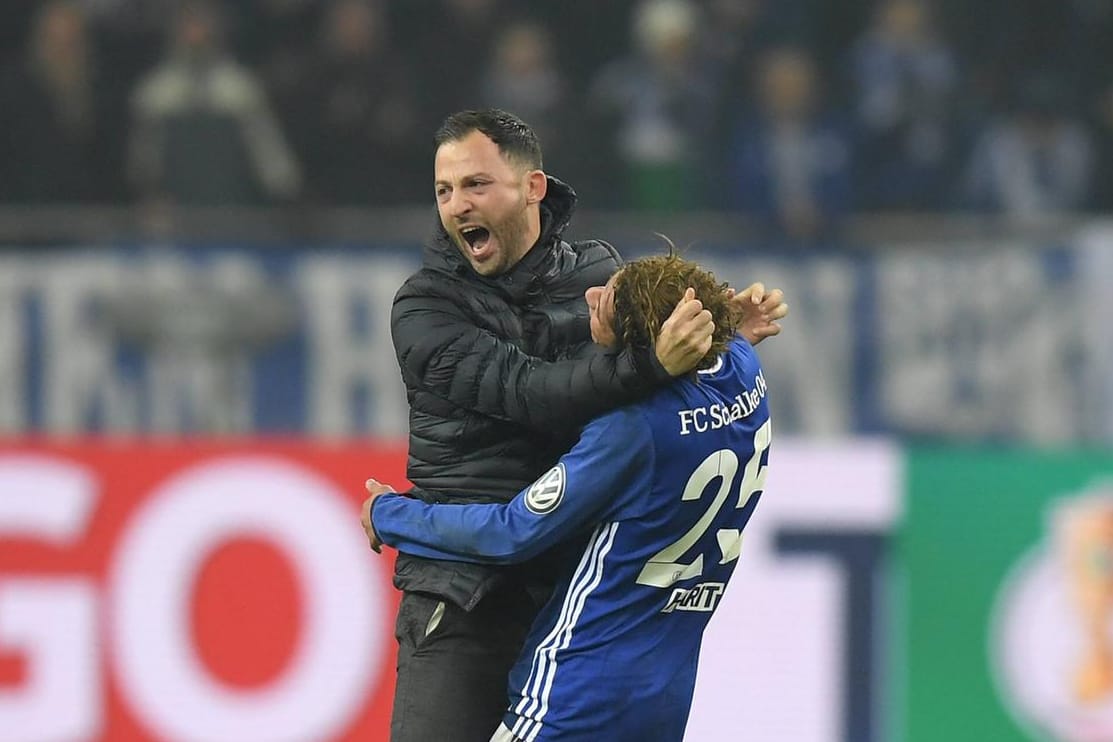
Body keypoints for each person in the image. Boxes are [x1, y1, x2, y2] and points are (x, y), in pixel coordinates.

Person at [382, 108, 785, 742]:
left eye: (476, 185)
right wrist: (681, 354)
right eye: (444, 190)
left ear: (532, 187)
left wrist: (711, 334)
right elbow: (533, 393)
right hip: (463, 598)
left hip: (569, 590)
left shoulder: (596, 272)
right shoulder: (424, 308)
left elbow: (640, 349)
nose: (457, 205)